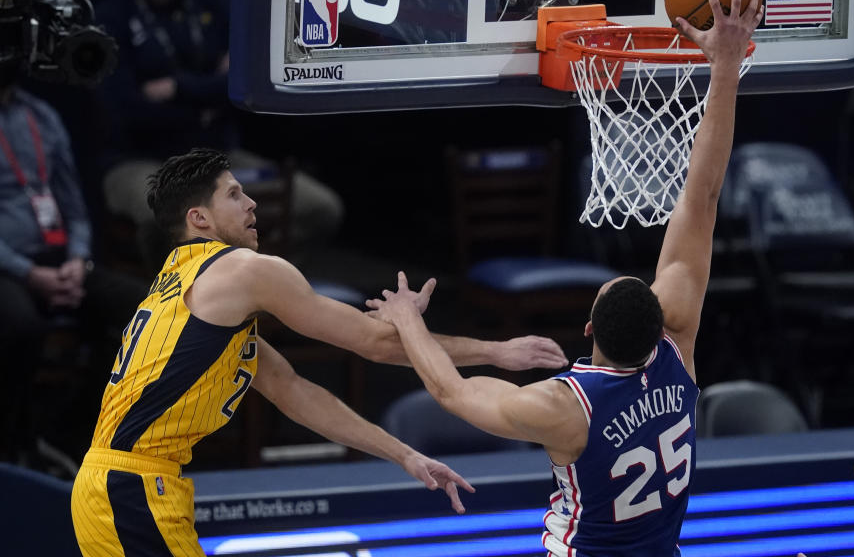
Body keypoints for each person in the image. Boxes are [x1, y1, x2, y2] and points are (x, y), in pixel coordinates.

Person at [366, 0, 763, 556]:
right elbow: (702, 197)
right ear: (660, 327)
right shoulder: (679, 351)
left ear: (587, 332)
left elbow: (450, 392)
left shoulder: (565, 408)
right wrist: (725, 69)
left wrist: (406, 318)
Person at [70, 147, 568, 556]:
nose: (252, 204)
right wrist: (495, 350)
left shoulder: (182, 286)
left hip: (114, 486)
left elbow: (293, 391)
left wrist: (405, 455)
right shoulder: (243, 268)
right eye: (234, 194)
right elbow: (375, 343)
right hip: (131, 488)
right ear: (198, 218)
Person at [95, 0, 344, 267]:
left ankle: (256, 288)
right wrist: (206, 101)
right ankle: (187, 302)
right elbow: (127, 110)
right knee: (173, 219)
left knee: (321, 208)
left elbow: (246, 79)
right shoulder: (112, 14)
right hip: (141, 158)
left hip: (215, 156)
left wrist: (178, 89)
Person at [0, 80, 147, 468]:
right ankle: (12, 445)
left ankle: (72, 435)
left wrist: (78, 261)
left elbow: (74, 206)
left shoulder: (41, 115)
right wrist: (28, 273)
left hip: (59, 260)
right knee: (19, 326)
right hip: (8, 266)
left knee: (148, 312)